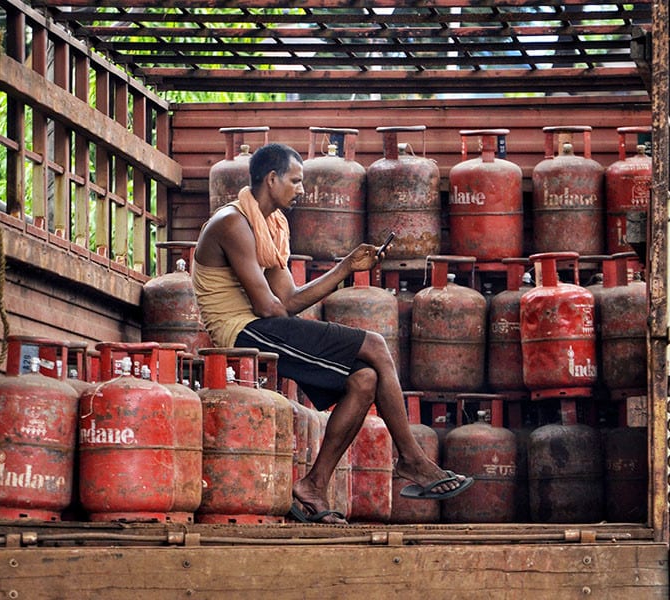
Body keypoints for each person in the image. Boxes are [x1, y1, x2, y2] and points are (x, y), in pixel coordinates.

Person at [192, 142, 472, 524]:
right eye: (295, 181)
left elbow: (288, 298)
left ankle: (312, 485)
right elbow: (270, 308)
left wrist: (346, 267)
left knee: (364, 379)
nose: (302, 190)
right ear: (271, 180)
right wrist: (337, 275)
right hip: (242, 331)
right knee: (373, 344)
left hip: (262, 326)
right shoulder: (232, 223)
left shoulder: (270, 225)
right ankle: (411, 459)